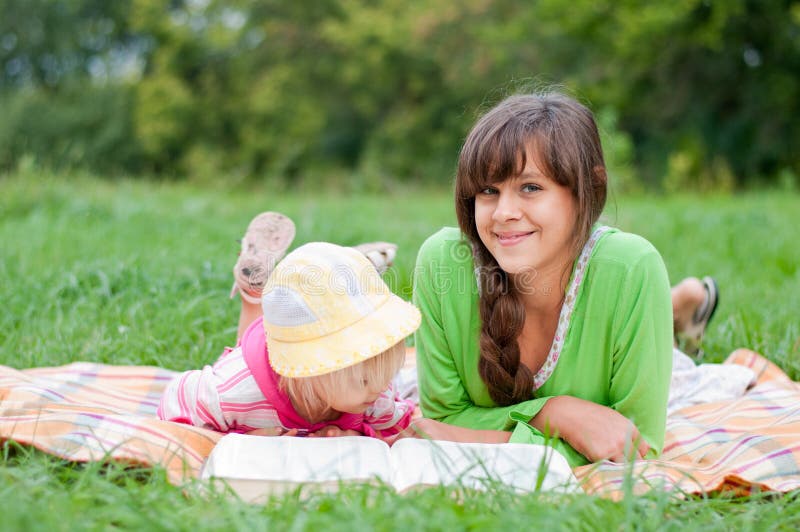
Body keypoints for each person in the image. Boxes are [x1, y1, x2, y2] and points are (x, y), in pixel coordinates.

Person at [410, 92, 719, 466]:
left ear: (587, 190)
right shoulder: (443, 263)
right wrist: (556, 414)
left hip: (618, 298)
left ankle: (677, 310)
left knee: (675, 364)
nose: (504, 213)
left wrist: (479, 434)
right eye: (489, 190)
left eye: (530, 187)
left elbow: (634, 449)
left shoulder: (632, 270)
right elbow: (442, 421)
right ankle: (679, 307)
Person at [158, 222, 420, 440]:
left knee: (310, 305)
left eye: (388, 374)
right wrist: (241, 438)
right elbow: (175, 401)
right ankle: (255, 290)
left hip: (301, 328)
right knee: (249, 330)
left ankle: (337, 274)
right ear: (318, 367)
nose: (380, 388)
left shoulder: (374, 390)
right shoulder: (236, 393)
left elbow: (395, 429)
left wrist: (359, 436)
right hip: (260, 357)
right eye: (364, 381)